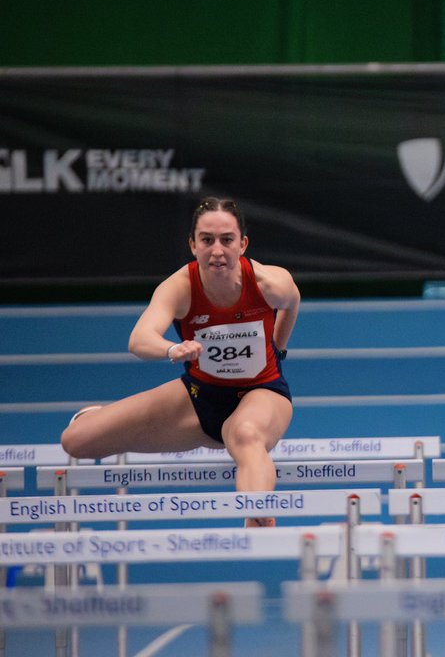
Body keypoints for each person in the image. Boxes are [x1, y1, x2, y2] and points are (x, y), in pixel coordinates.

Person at [60, 197, 300, 527]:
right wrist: (171, 350)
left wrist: (278, 348)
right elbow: (139, 339)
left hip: (262, 393)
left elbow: (293, 299)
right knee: (76, 441)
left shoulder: (269, 283)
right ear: (193, 244)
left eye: (227, 240)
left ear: (242, 244)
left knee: (246, 434)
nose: (217, 251)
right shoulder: (179, 288)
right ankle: (99, 415)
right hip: (198, 399)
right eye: (207, 240)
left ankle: (259, 523)